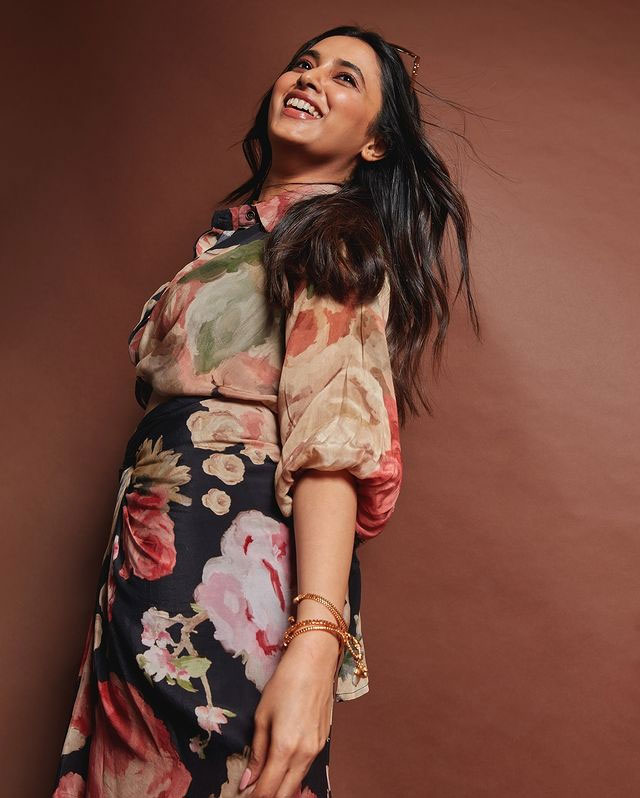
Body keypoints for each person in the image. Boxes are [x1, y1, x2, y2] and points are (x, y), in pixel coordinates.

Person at [51, 23, 480, 798]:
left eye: (345, 77)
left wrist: (315, 642)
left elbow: (330, 448)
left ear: (375, 143)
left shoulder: (335, 244)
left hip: (224, 577)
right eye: (304, 63)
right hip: (151, 573)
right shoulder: (237, 242)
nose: (310, 78)